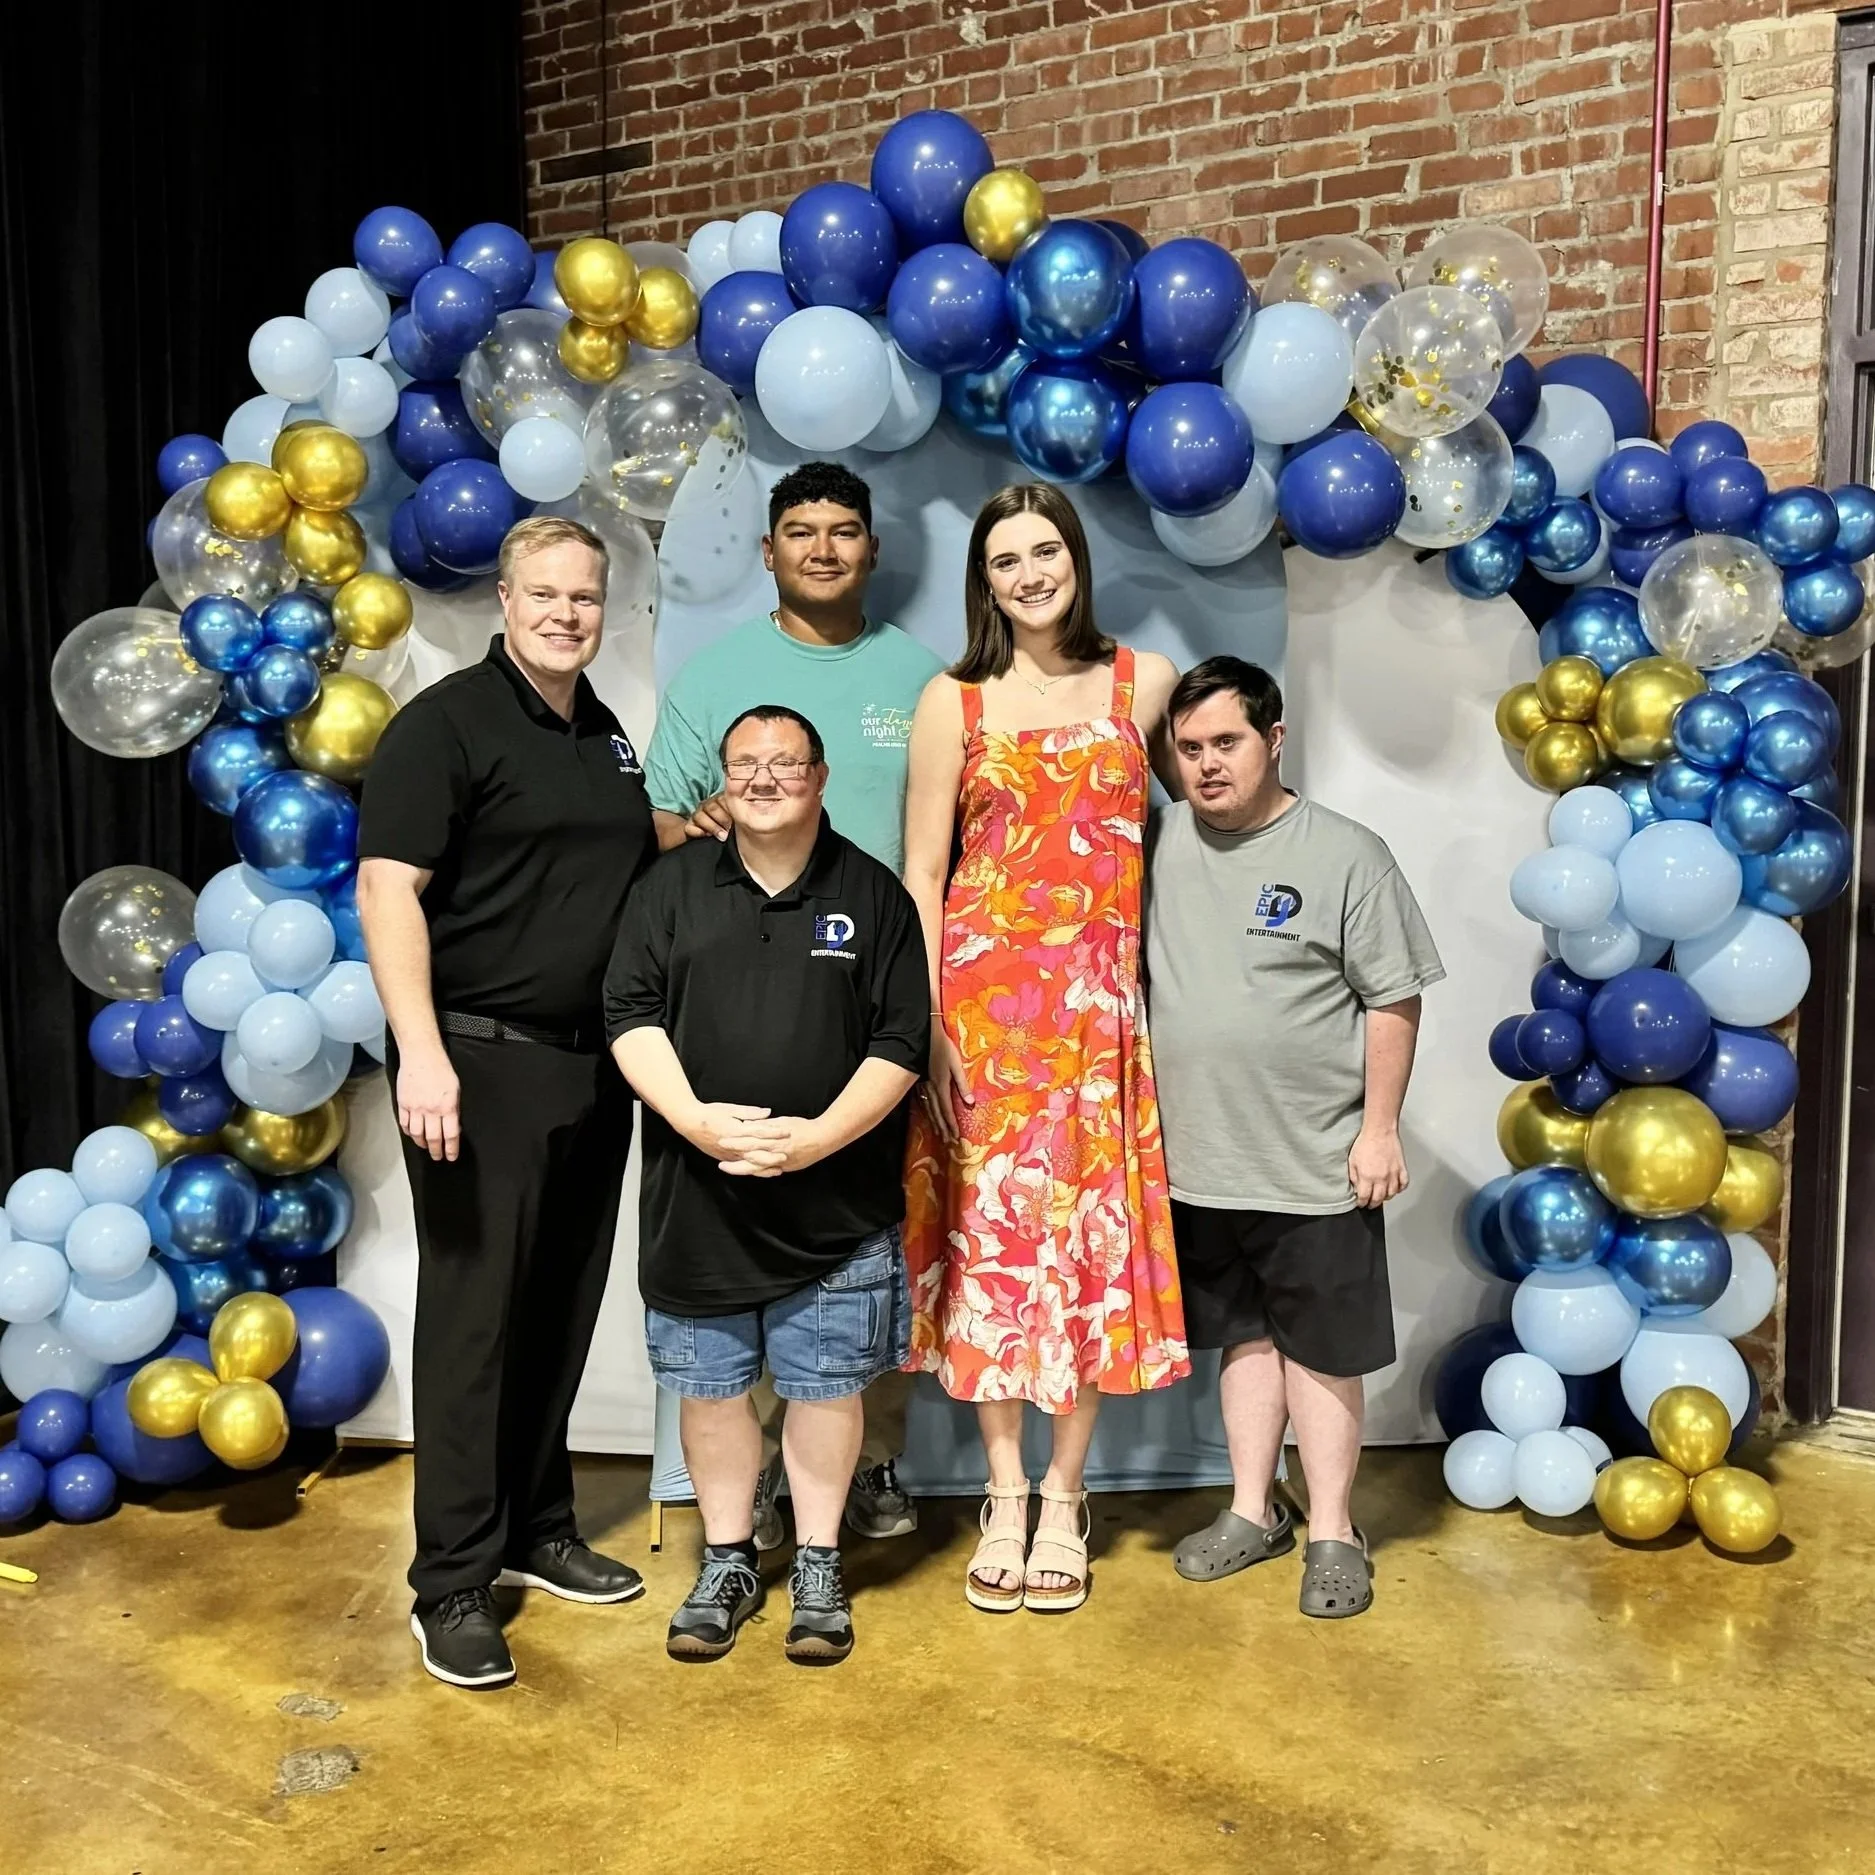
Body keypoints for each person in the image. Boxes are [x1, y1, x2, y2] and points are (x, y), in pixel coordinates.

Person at [357, 515, 655, 1690]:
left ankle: (537, 1532)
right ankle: (454, 1585)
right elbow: (389, 892)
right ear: (504, 595)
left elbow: (596, 867)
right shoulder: (443, 726)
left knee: (560, 1307)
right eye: (546, 595)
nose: (566, 614)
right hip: (474, 1065)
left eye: (584, 597)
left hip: (592, 1065)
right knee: (477, 1324)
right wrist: (422, 1054)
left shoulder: (604, 734)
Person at [900, 481, 1190, 1616]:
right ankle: (1004, 1491)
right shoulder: (954, 701)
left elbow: (1202, 831)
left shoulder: (1145, 684)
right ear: (985, 579)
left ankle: (1069, 1497)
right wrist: (926, 1032)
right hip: (983, 1017)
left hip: (1100, 1017)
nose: (1029, 573)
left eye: (1046, 551)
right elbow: (924, 874)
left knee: (1088, 1252)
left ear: (1076, 558)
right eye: (1006, 559)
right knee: (995, 1255)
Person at [643, 460, 943, 1549]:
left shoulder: (920, 678)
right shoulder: (717, 676)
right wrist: (710, 816)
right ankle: (756, 1483)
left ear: (872, 551)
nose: (823, 548)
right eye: (801, 531)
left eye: (845, 531)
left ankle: (873, 1464)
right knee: (747, 1229)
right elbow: (664, 834)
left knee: (875, 1242)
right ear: (768, 551)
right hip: (740, 1019)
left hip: (875, 1015)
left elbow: (947, 837)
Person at [607, 704, 929, 1665]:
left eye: (785, 762)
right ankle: (731, 1557)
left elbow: (901, 1039)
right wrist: (697, 1122)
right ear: (723, 778)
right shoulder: (666, 889)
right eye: (745, 763)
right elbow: (628, 1012)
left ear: (821, 776)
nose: (763, 778)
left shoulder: (874, 898)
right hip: (696, 1199)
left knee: (826, 1389)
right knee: (710, 1392)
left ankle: (821, 1560)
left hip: (833, 1206)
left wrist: (818, 1140)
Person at [1145, 657, 1443, 1620]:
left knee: (1320, 1350)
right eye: (1187, 749)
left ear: (1273, 741)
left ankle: (1330, 1529)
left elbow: (1392, 994)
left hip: (1317, 1161)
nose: (1204, 765)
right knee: (1241, 1341)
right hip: (1199, 1160)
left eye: (1224, 743)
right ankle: (1250, 1510)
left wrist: (1379, 1129)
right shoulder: (1155, 845)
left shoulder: (1345, 853)